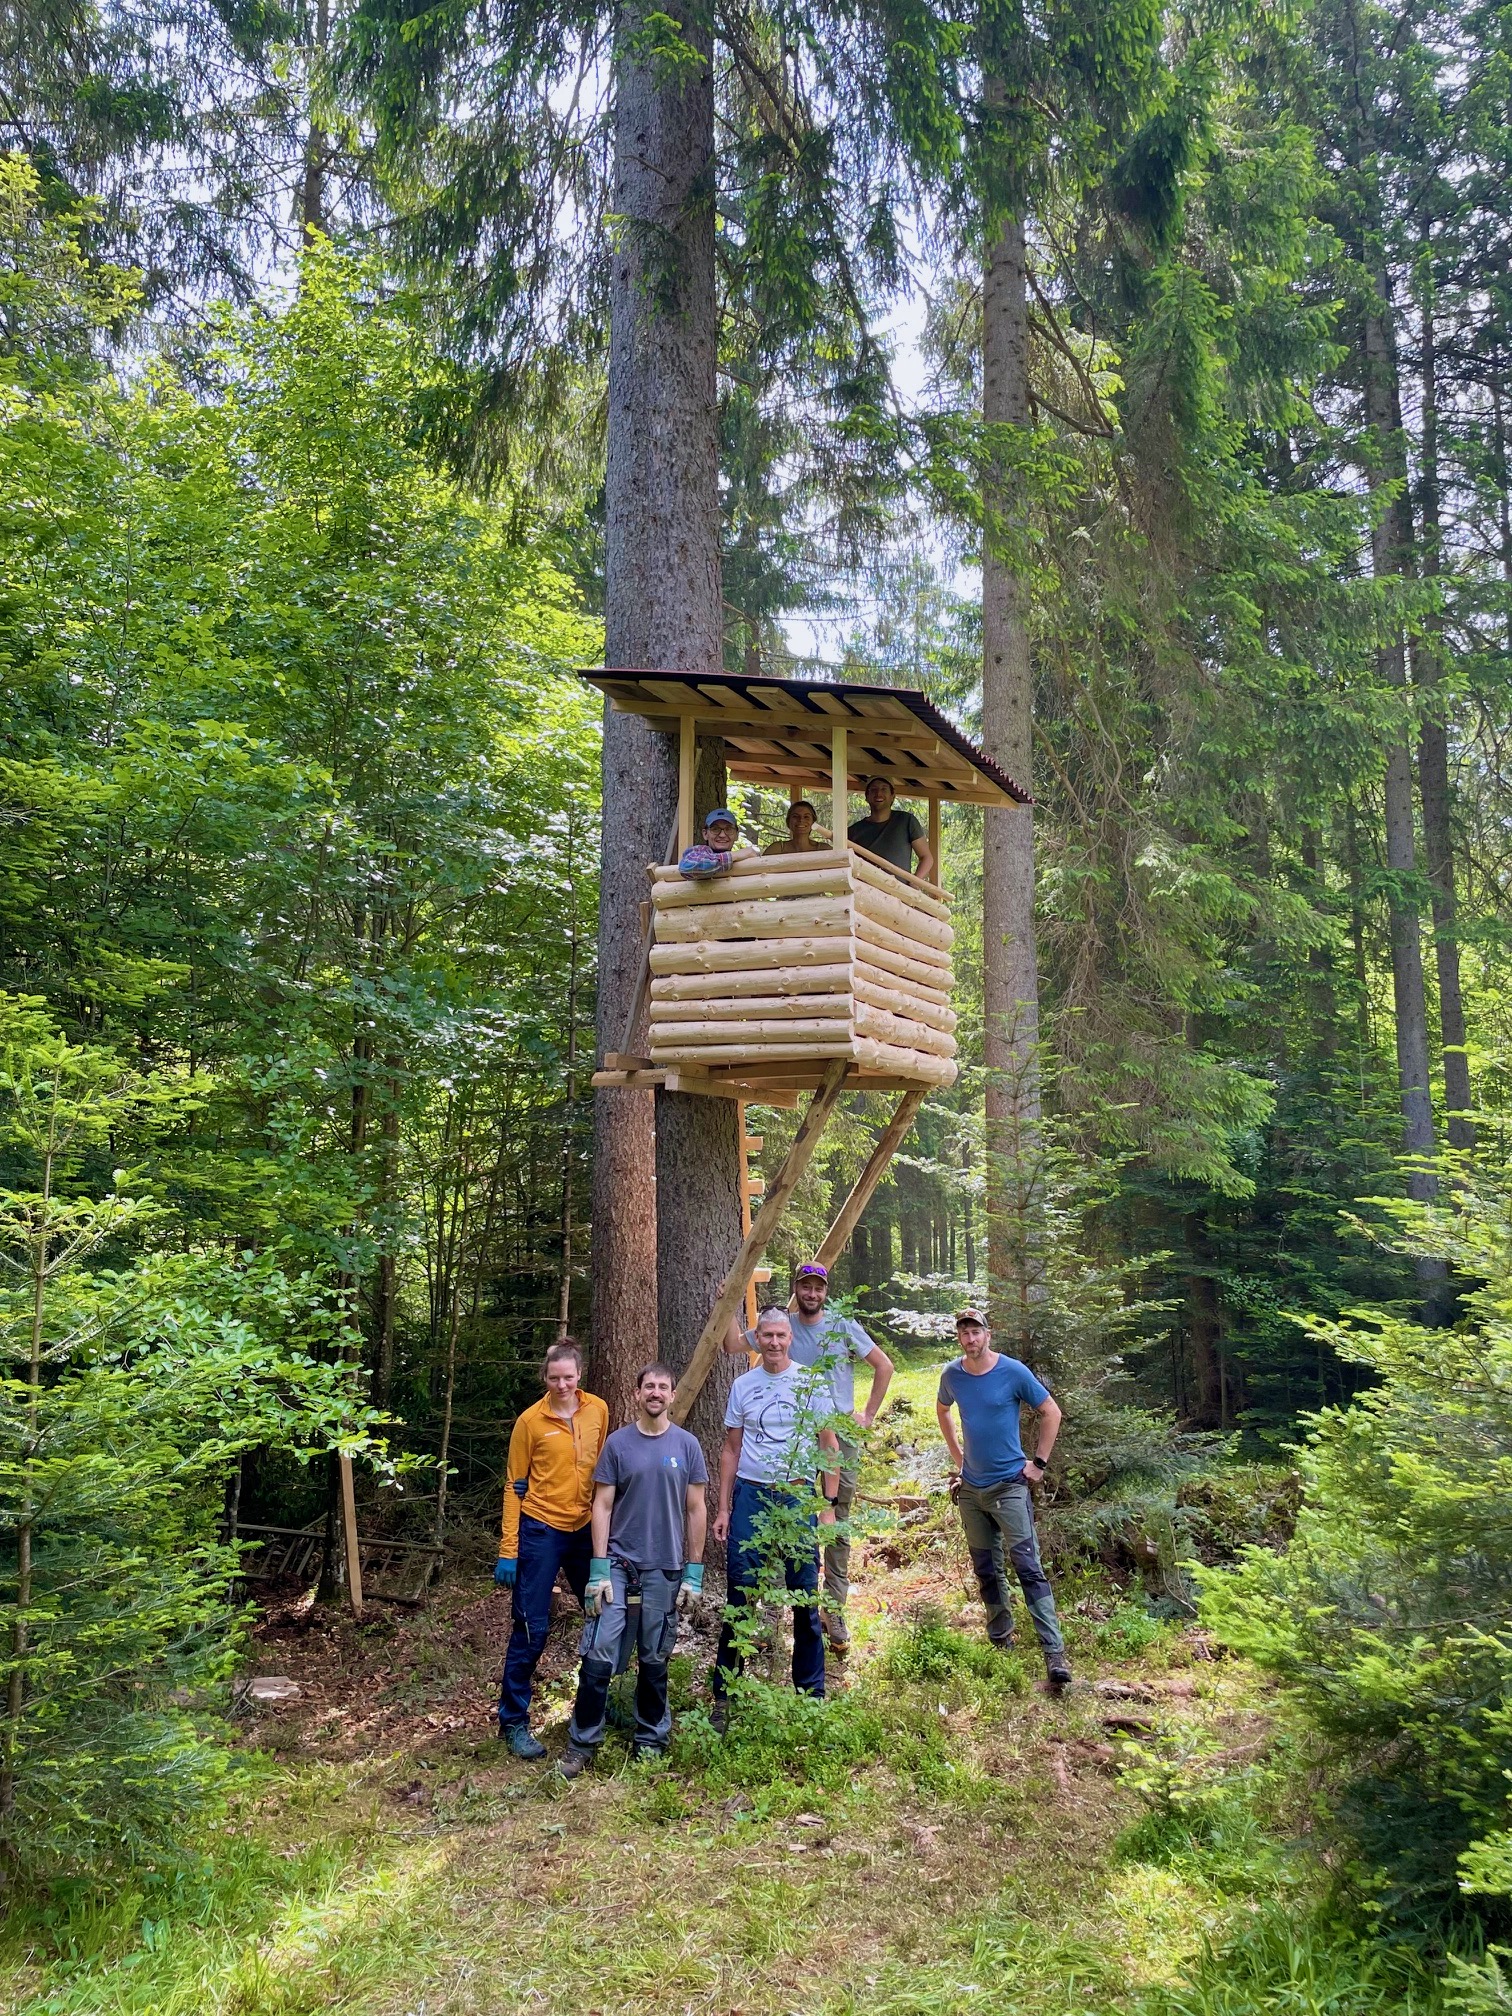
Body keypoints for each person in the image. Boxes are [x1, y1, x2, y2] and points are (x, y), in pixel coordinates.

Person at [722, 1260, 893, 1651]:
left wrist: (866, 1414)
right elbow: (732, 1345)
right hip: (790, 1440)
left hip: (836, 1438)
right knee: (782, 1518)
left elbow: (884, 1366)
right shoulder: (781, 1326)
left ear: (826, 1291)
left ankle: (834, 1608)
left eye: (818, 1287)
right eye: (805, 1286)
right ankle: (773, 1610)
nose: (812, 1293)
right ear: (796, 1289)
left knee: (833, 1520)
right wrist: (730, 1302)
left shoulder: (841, 1324)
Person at [558, 1363, 708, 1778]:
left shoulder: (688, 1446)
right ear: (637, 1394)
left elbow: (696, 1509)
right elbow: (601, 1505)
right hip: (619, 1565)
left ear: (672, 1395)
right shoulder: (618, 1445)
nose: (655, 1393)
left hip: (666, 1565)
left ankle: (651, 1740)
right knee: (600, 1648)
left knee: (655, 1653)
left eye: (663, 1387)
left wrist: (694, 1571)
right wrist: (598, 1567)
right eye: (649, 1387)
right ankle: (582, 1742)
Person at [711, 1306, 839, 1727]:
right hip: (751, 1495)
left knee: (804, 1594)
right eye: (766, 1335)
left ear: (790, 1337)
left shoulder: (810, 1383)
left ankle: (810, 1694)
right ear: (757, 1338)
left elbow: (828, 1446)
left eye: (781, 1335)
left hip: (799, 1496)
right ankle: (727, 1694)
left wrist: (827, 1508)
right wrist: (724, 1507)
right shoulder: (743, 1386)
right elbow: (731, 1449)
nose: (774, 1343)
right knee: (740, 1594)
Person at [935, 1308, 1072, 1688]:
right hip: (972, 1491)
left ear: (988, 1334)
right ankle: (1001, 1642)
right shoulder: (953, 1375)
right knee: (986, 1568)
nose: (970, 1339)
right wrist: (958, 1458)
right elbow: (943, 1410)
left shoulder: (1012, 1371)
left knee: (1028, 1567)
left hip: (1010, 1486)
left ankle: (1054, 1653)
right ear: (959, 1338)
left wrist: (1039, 1463)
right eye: (964, 1333)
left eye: (976, 1332)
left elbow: (1050, 1411)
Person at [495, 1339, 610, 1757]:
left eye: (569, 1377)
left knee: (601, 1614)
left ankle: (597, 1703)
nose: (562, 1384)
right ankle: (513, 1722)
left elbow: (603, 1472)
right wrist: (509, 1548)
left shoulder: (598, 1409)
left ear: (579, 1376)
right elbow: (514, 1484)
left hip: (585, 1529)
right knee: (532, 1628)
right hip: (541, 1528)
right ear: (545, 1378)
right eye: (554, 1377)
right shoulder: (529, 1421)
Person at [847, 776, 935, 881]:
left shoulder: (906, 821)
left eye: (884, 789)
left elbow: (926, 857)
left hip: (899, 893)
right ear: (867, 796)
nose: (878, 793)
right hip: (865, 893)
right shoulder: (853, 831)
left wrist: (915, 882)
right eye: (873, 790)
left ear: (892, 796)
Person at [678, 806, 759, 879]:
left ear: (736, 835)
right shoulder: (698, 852)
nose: (722, 835)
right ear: (705, 834)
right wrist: (735, 855)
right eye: (715, 829)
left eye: (729, 829)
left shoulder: (741, 861)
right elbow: (687, 867)